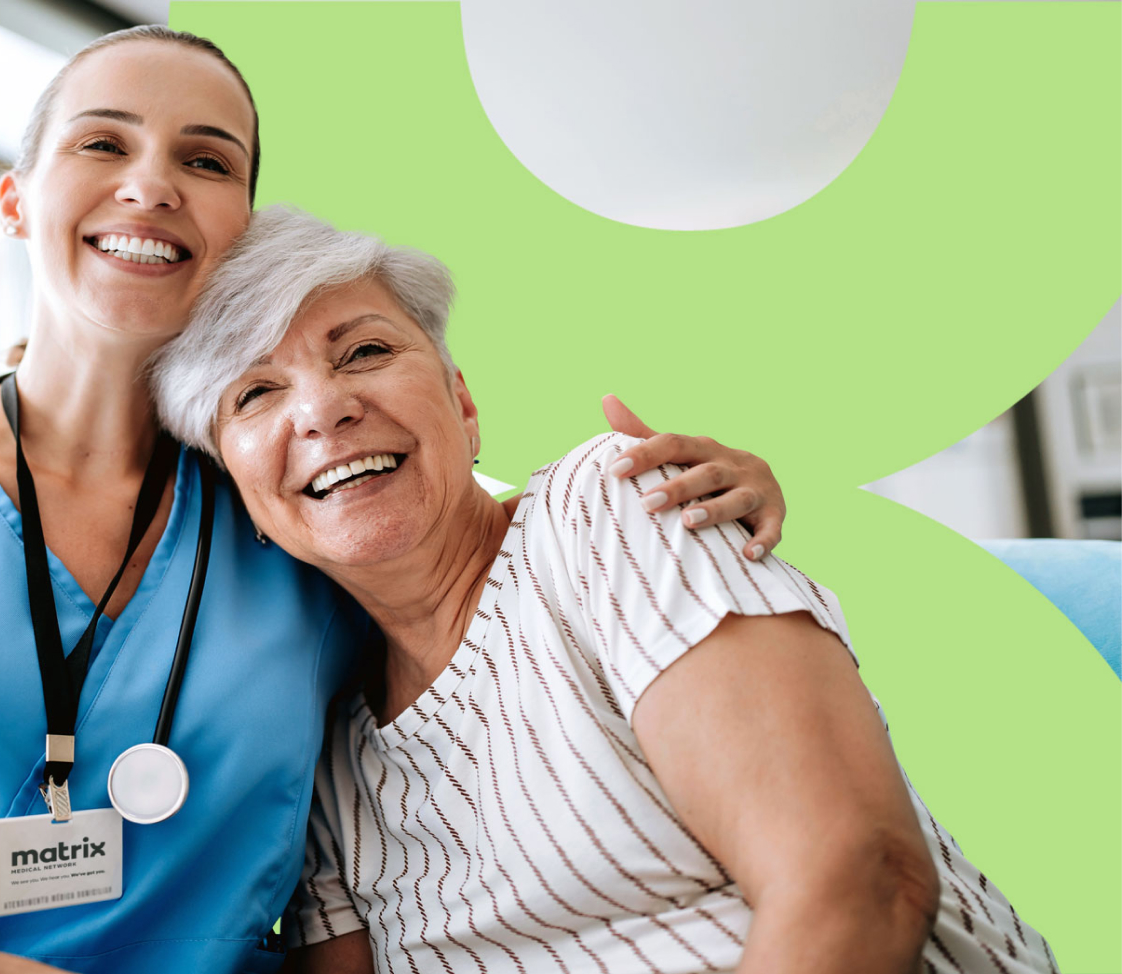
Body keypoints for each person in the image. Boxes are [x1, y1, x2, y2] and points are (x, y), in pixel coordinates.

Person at [0, 26, 793, 974]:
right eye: (100, 144)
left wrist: (692, 488)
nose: (150, 185)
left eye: (204, 158)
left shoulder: (292, 498)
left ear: (239, 229)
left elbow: (501, 560)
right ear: (17, 199)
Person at [154, 205, 1052, 973]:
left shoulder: (607, 512)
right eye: (255, 394)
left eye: (364, 351)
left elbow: (861, 881)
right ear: (239, 498)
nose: (322, 409)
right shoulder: (318, 747)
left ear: (463, 406)